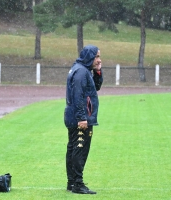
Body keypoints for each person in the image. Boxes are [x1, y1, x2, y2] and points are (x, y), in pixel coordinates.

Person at [64, 45, 103, 194]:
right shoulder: (81, 72)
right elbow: (78, 96)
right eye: (97, 57)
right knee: (80, 149)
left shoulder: (81, 69)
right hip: (79, 118)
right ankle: (78, 184)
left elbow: (95, 87)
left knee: (73, 148)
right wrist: (82, 118)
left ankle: (72, 182)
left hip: (73, 116)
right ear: (89, 57)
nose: (99, 60)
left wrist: (98, 71)